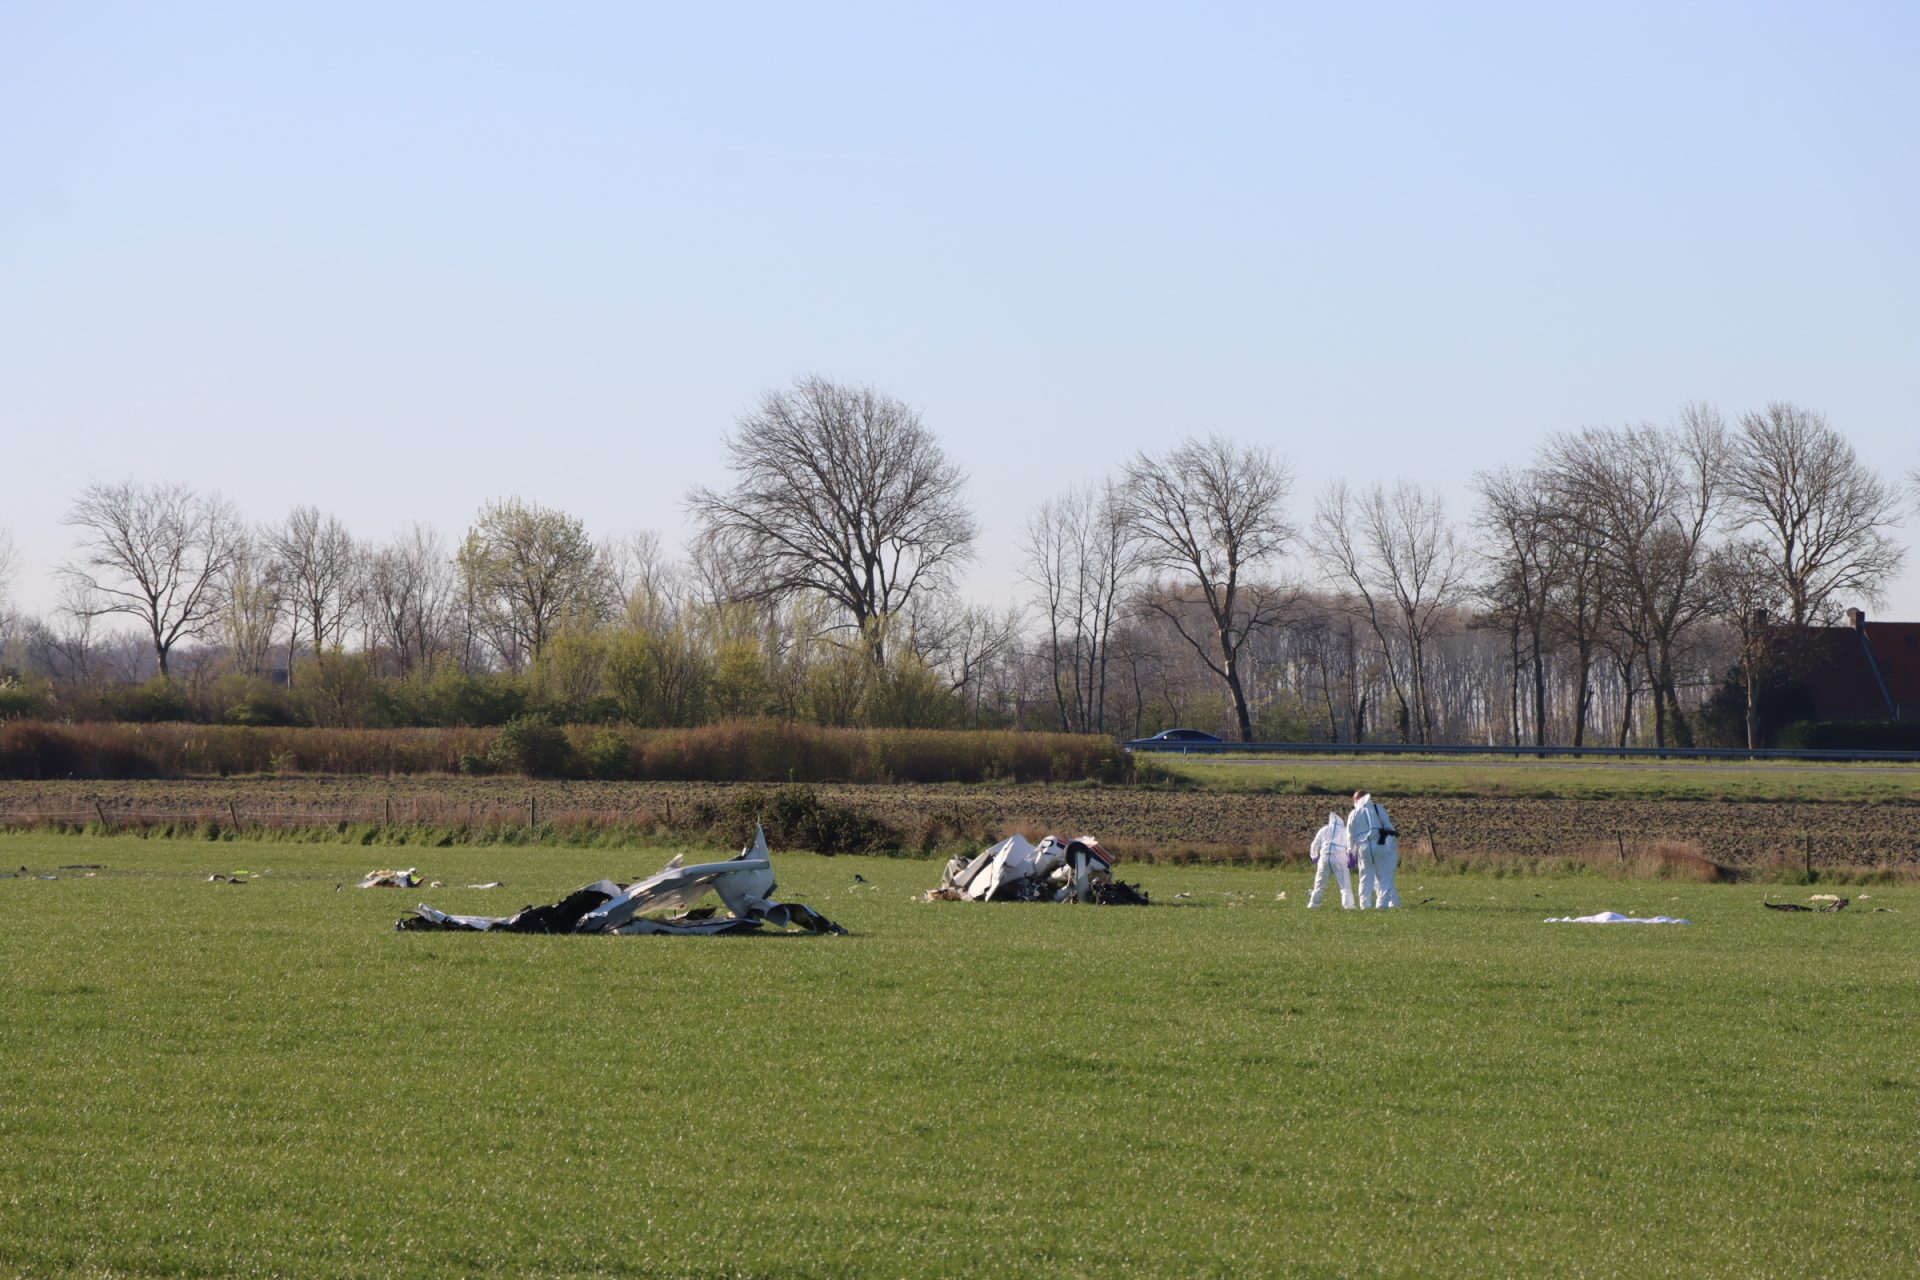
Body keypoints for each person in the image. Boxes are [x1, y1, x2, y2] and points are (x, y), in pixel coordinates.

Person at [1347, 789, 1400, 909]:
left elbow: (1350, 836)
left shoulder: (1353, 814)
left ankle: (1365, 905)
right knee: (1384, 876)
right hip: (1379, 844)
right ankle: (1382, 904)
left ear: (1357, 800)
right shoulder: (1377, 808)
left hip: (1363, 847)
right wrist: (1392, 845)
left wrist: (1350, 854)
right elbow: (1389, 827)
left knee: (1365, 877)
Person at [1306, 810, 1355, 909]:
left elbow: (1315, 844)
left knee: (1319, 884)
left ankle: (1314, 904)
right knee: (1345, 884)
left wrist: (1314, 857)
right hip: (1339, 857)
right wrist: (1352, 859)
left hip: (1324, 857)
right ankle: (1348, 905)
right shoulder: (1345, 830)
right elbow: (1351, 845)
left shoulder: (1324, 829)